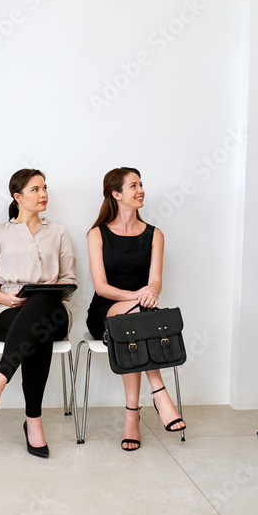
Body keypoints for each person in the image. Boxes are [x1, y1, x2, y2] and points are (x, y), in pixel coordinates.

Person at [0, 169, 77, 458]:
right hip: (6, 312)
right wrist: (8, 299)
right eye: (35, 189)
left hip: (55, 311)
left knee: (42, 300)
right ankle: (33, 422)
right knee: (39, 331)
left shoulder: (58, 231)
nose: (43, 193)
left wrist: (41, 295)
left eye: (45, 188)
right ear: (17, 196)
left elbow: (68, 282)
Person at [86, 167, 185, 451]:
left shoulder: (155, 234)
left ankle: (132, 416)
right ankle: (160, 394)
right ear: (116, 194)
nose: (141, 190)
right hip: (105, 312)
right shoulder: (97, 234)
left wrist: (149, 293)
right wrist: (135, 296)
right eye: (133, 186)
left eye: (141, 184)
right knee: (136, 322)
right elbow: (101, 286)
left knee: (136, 326)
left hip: (140, 312)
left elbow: (155, 280)